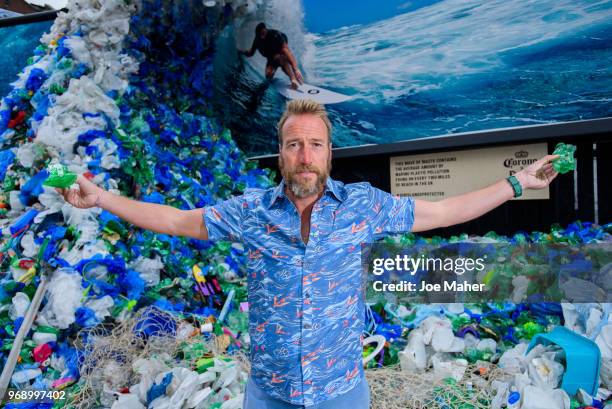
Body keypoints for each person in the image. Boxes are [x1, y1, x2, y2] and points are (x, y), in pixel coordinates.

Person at [57, 99, 559, 408]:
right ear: (280, 153)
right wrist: (101, 199)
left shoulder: (361, 206)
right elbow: (176, 220)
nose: (305, 155)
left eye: (315, 144)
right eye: (294, 144)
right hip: (269, 393)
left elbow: (444, 212)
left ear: (329, 153)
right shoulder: (252, 211)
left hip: (340, 393)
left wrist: (516, 183)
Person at [239, 22, 304, 90]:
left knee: (280, 58)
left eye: (263, 33)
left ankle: (293, 79)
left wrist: (295, 69)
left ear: (265, 30)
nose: (262, 36)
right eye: (260, 34)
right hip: (271, 58)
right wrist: (241, 52)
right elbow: (250, 53)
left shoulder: (275, 35)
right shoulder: (257, 39)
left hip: (280, 53)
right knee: (268, 75)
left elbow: (286, 51)